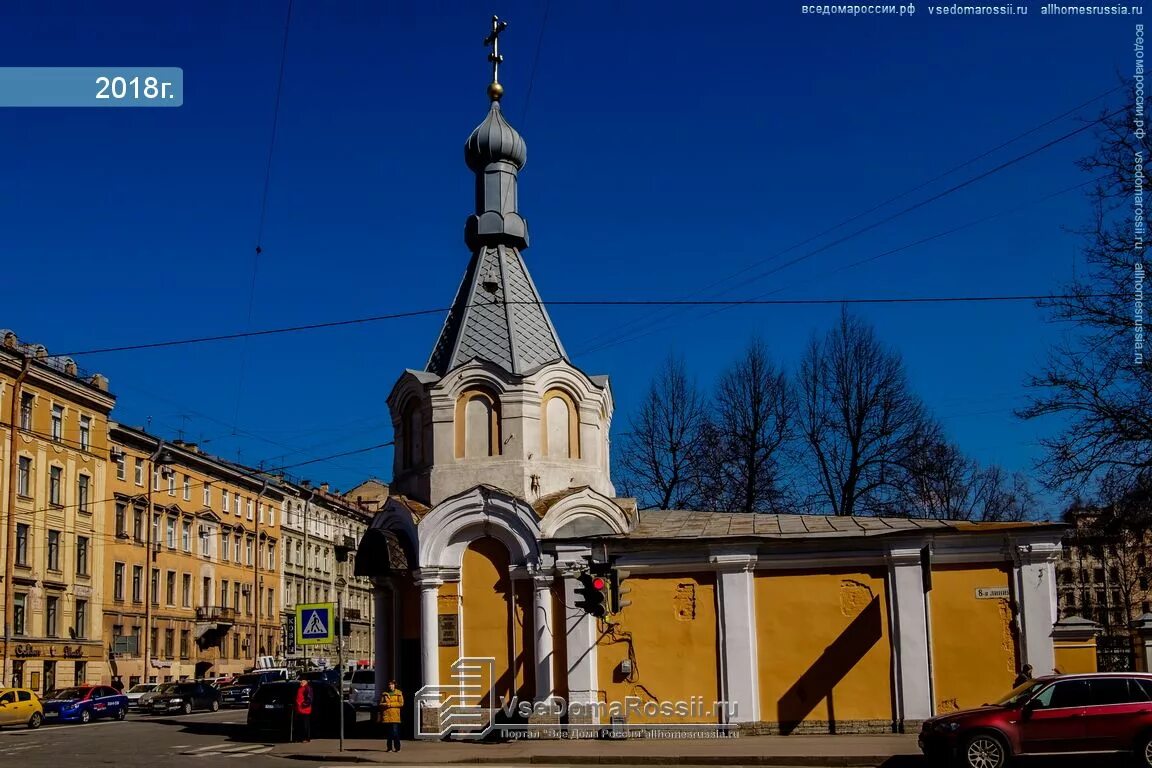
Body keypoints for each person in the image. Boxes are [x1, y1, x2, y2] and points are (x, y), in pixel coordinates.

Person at [379, 680, 404, 752]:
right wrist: (384, 704)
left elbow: (401, 703)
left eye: (392, 684)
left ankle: (397, 747)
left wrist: (390, 704)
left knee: (395, 732)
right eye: (389, 685)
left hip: (395, 715)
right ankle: (389, 748)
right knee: (389, 733)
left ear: (394, 685)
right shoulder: (385, 694)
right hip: (387, 715)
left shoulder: (398, 693)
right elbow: (380, 703)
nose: (390, 686)